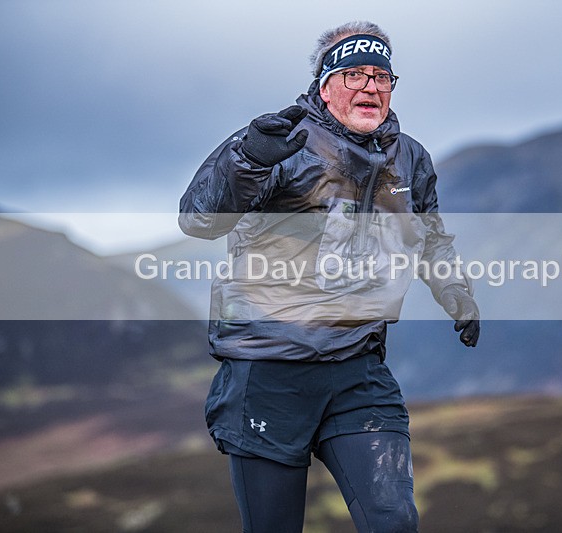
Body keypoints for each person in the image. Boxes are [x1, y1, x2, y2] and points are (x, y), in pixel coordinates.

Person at [179, 21, 479, 533]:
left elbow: (429, 235)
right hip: (268, 370)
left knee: (393, 521)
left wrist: (455, 292)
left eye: (383, 76)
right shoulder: (276, 140)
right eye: (356, 74)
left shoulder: (410, 158)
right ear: (325, 84)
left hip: (358, 370)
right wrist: (247, 160)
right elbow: (198, 219)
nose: (371, 87)